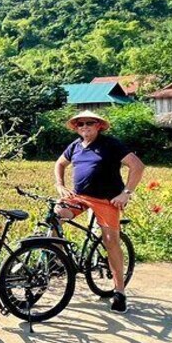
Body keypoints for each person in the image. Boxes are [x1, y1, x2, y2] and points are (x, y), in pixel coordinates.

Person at [54, 110, 145, 314]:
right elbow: (60, 163)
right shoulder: (75, 146)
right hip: (80, 197)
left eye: (89, 123)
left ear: (99, 126)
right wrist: (60, 184)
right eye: (80, 124)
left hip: (106, 200)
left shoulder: (110, 144)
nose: (84, 127)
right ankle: (56, 258)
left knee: (110, 241)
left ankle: (119, 291)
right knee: (55, 216)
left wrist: (126, 193)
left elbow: (137, 166)